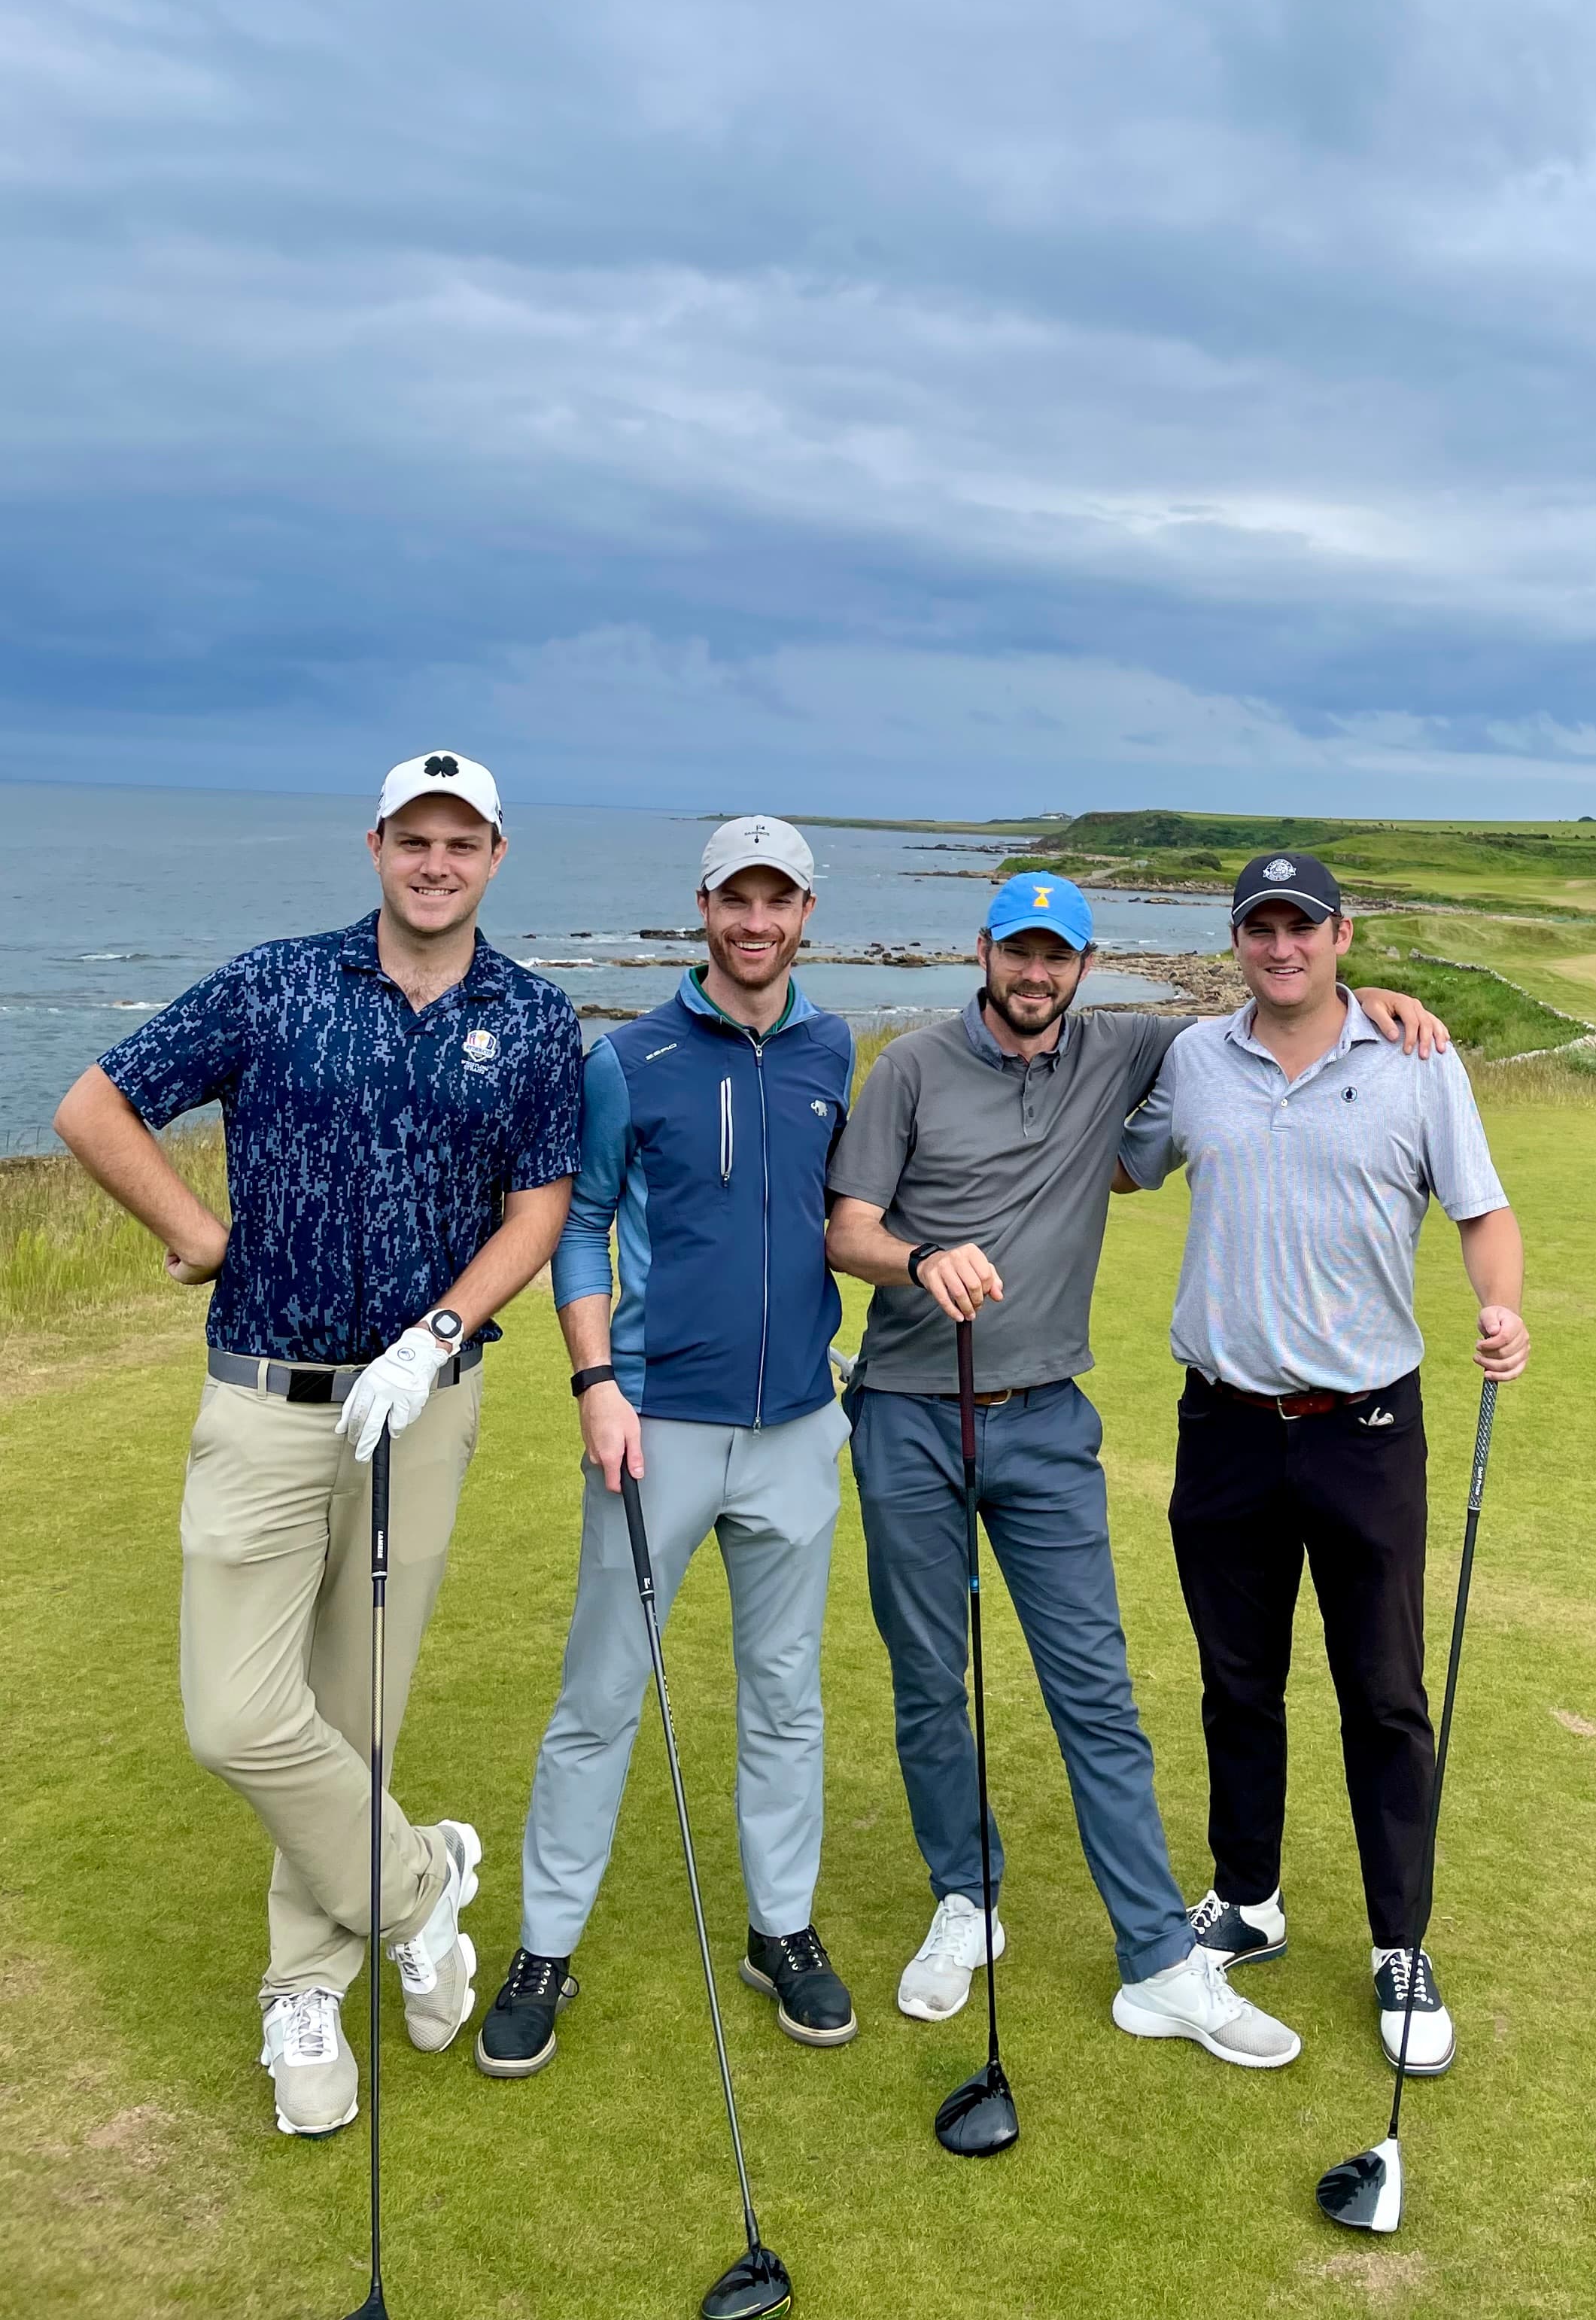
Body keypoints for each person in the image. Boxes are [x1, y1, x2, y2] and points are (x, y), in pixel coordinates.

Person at [823, 871, 1449, 2074]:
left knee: (1096, 1692)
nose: (1036, 975)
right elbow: (848, 1227)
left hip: (1046, 1420)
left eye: (1058, 956)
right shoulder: (906, 1065)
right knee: (929, 1678)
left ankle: (1160, 1960)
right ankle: (967, 1897)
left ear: (1086, 965)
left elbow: (1279, 1006)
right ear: (986, 954)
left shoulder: (1124, 1050)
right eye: (1018, 953)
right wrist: (917, 1259)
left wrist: (1376, 996)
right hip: (907, 1412)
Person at [51, 753, 582, 2138]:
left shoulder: (530, 1018)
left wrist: (442, 1335)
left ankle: (302, 1992)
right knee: (236, 1716)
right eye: (415, 839)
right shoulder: (274, 980)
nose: (436, 863)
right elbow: (96, 1104)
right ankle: (422, 1886)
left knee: (355, 1715)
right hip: (265, 1399)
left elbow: (536, 1208)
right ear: (377, 846)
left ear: (496, 857)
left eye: (462, 843)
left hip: (423, 1406)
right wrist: (197, 1235)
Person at [1117, 850, 1529, 2078]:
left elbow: (1482, 1211)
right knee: (1237, 1684)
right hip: (1225, 1424)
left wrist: (1501, 1307)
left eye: (1304, 928)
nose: (1281, 948)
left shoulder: (1416, 1059)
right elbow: (1115, 1155)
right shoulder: (1196, 1061)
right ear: (1237, 940)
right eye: (1261, 929)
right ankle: (1248, 1896)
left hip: (1364, 1430)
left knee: (1384, 1694)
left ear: (1343, 937)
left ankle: (1401, 1942)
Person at [478, 816, 859, 2078]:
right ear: (703, 910)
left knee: (786, 1699)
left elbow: (834, 1217)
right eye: (735, 900)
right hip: (656, 1428)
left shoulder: (831, 1048)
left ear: (807, 913)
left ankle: (783, 1930)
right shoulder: (629, 1059)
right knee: (600, 1699)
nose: (757, 922)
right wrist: (596, 1382)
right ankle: (545, 1943)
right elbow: (580, 1226)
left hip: (800, 1428)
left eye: (778, 901)